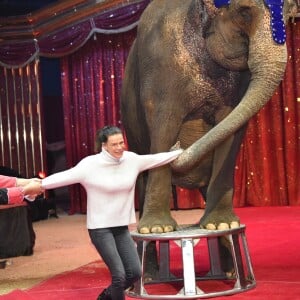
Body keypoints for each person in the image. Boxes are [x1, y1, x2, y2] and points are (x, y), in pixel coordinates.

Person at [41, 125, 183, 300]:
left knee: (135, 272)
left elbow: (155, 159)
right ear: (104, 146)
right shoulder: (90, 165)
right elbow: (63, 177)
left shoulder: (131, 160)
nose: (119, 148)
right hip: (100, 229)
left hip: (121, 227)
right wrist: (38, 185)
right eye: (114, 144)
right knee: (119, 275)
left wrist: (177, 153)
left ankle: (106, 297)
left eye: (121, 143)